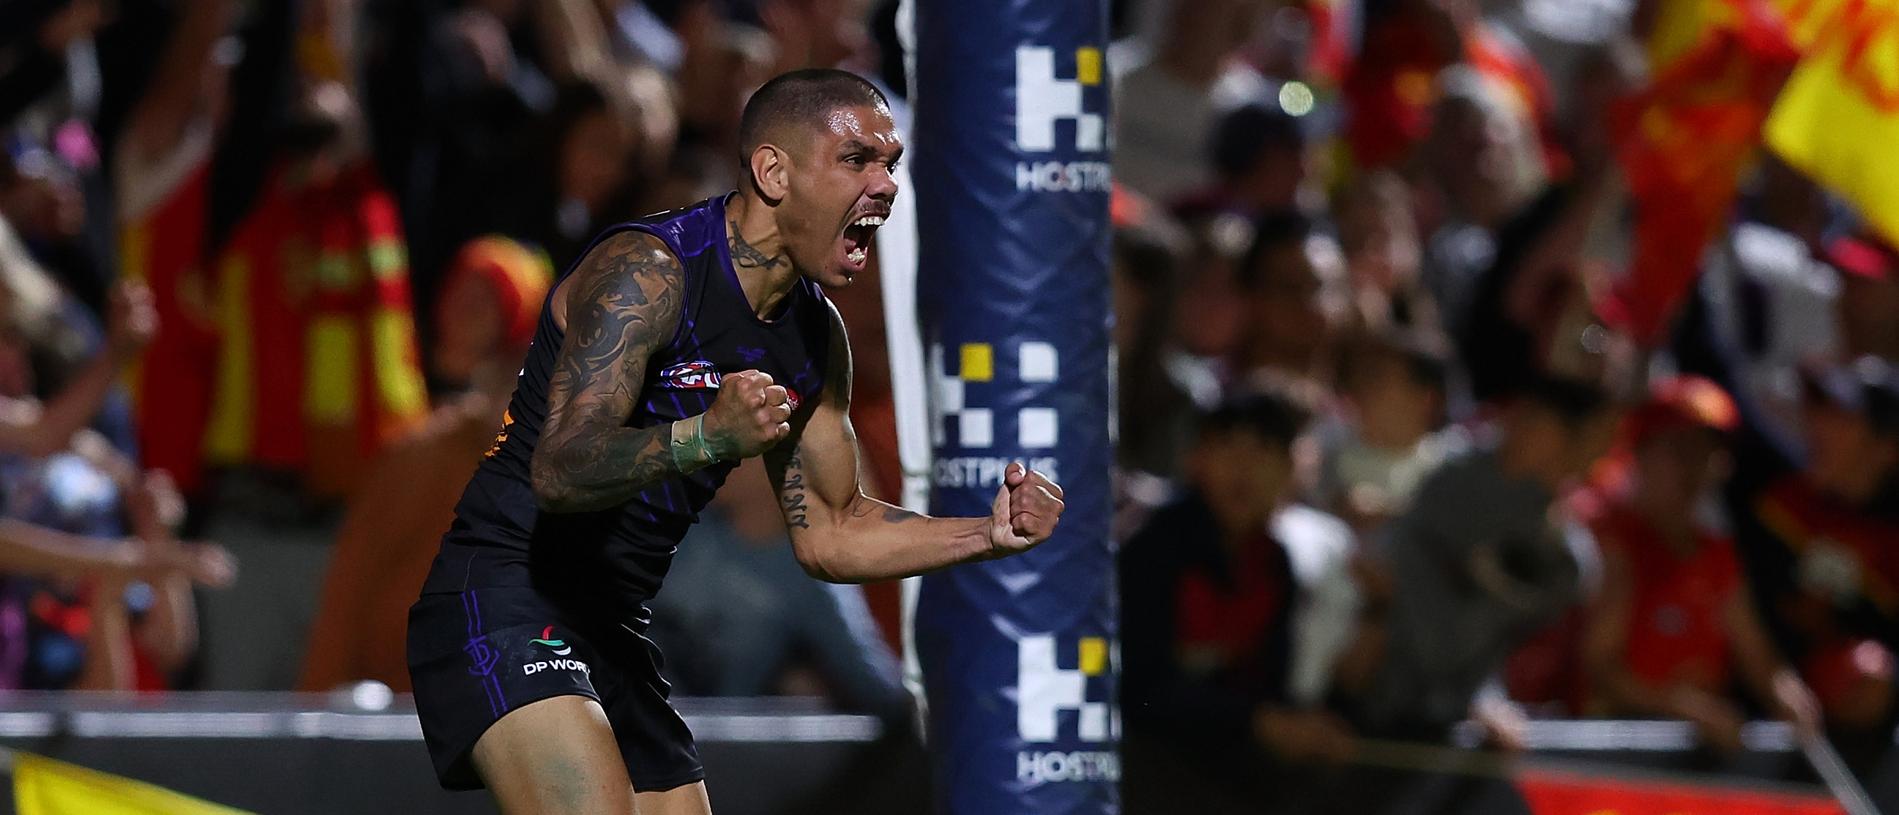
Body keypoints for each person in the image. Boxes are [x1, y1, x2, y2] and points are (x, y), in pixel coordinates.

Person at [406, 68, 1065, 814]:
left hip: (611, 626)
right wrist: (706, 436)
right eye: (858, 160)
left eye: (892, 164)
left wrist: (987, 530)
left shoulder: (812, 335)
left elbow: (830, 532)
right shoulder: (649, 272)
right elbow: (560, 469)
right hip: (505, 596)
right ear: (773, 171)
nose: (885, 187)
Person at [1578, 376, 1820, 751]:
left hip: (1697, 754)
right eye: (1678, 448)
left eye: (1706, 451)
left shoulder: (1716, 556)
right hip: (1617, 751)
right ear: (1640, 451)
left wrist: (1788, 695)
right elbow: (1600, 668)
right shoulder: (1613, 544)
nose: (1693, 467)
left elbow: (1758, 656)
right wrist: (1680, 707)